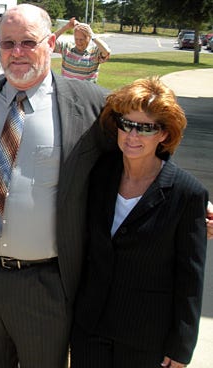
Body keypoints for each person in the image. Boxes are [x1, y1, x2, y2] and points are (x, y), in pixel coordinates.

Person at [0, 4, 115, 367]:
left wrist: (183, 203)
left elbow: (134, 157)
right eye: (7, 42)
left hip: (45, 285)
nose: (17, 53)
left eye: (28, 42)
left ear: (52, 43)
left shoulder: (90, 104)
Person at [71, 77, 208, 368]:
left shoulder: (187, 194)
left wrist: (182, 345)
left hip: (146, 337)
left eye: (146, 127)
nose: (133, 134)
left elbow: (190, 278)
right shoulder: (99, 174)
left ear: (164, 134)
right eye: (127, 124)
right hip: (91, 327)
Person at [53, 17, 111, 83]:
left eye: (81, 39)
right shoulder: (67, 47)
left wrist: (92, 35)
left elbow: (106, 51)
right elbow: (48, 42)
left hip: (86, 92)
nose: (78, 42)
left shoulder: (95, 52)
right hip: (67, 90)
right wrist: (65, 27)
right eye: (76, 39)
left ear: (89, 38)